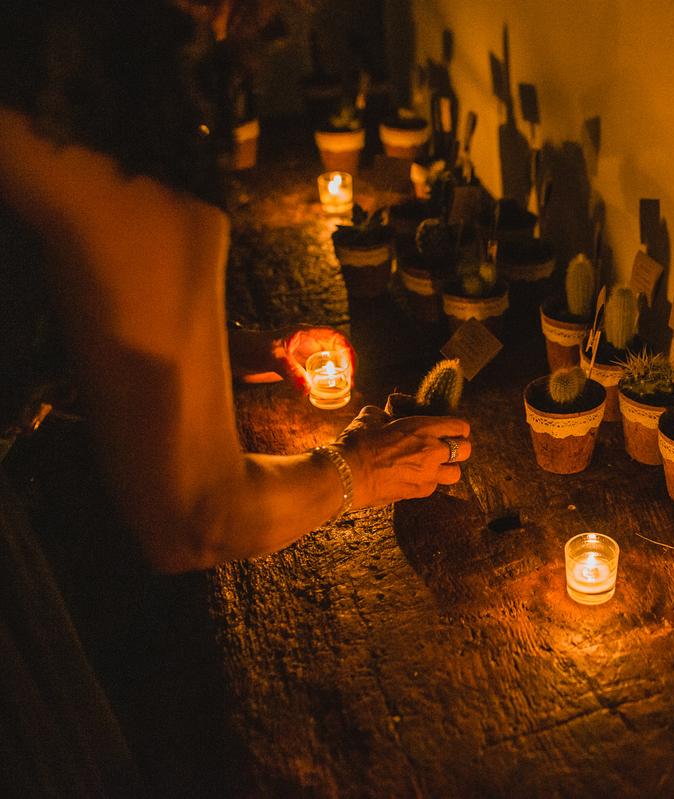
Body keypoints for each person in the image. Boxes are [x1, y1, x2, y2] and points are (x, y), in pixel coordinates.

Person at [0, 3, 468, 790]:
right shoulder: (119, 146)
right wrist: (362, 469)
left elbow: (79, 298)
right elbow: (198, 516)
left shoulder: (33, 78)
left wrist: (256, 349)